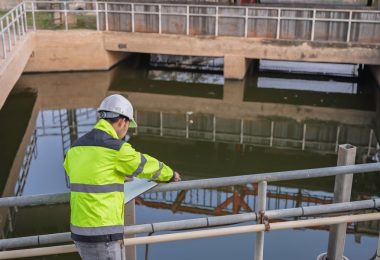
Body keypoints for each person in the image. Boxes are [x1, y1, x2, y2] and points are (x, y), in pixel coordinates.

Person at [63, 94, 181, 260]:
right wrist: (171, 174)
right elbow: (146, 165)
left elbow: (78, 172)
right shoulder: (116, 148)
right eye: (128, 125)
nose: (126, 130)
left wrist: (113, 175)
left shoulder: (75, 148)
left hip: (79, 232)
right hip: (103, 234)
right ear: (121, 121)